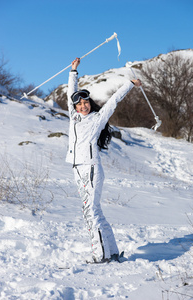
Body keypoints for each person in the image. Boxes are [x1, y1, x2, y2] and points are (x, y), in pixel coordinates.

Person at [66, 58, 141, 264]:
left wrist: (129, 84)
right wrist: (73, 70)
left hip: (91, 168)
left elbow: (113, 101)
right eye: (79, 104)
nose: (83, 106)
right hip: (77, 168)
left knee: (90, 212)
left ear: (91, 103)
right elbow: (70, 92)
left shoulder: (97, 119)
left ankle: (100, 255)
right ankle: (112, 251)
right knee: (93, 210)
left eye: (86, 102)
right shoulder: (73, 117)